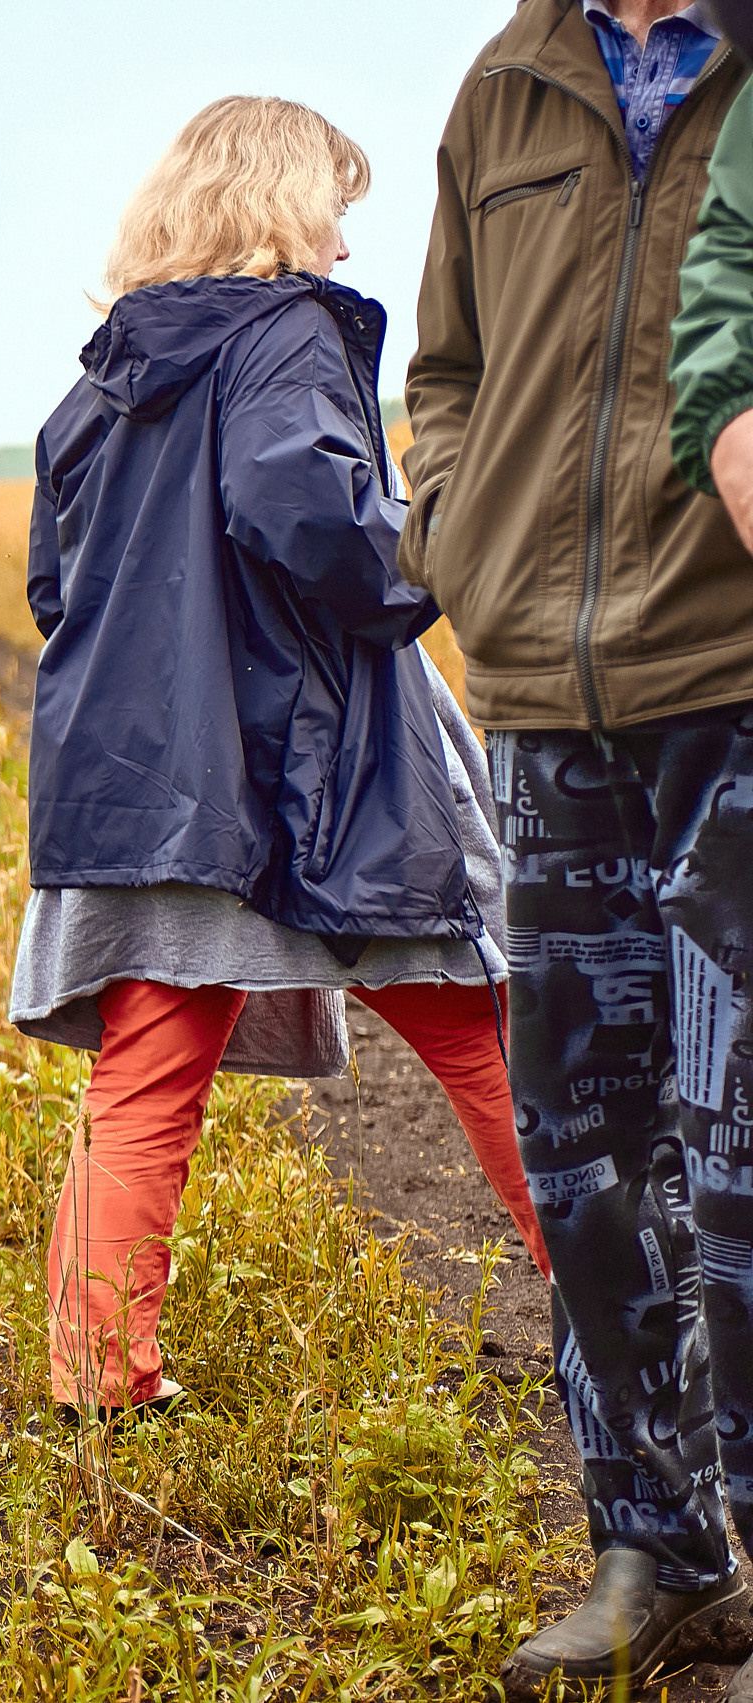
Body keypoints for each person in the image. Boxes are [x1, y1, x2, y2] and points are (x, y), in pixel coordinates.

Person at [15, 96, 552, 1435]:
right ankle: (633, 1320)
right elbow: (312, 521)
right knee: (495, 1029)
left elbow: (53, 588)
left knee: (146, 1072)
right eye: (335, 207)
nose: (345, 241)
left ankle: (99, 1384)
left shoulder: (101, 376)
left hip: (144, 784)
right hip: (316, 772)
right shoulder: (287, 334)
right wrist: (434, 542)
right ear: (279, 205)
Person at [406, 1, 753, 1690]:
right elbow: (449, 370)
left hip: (738, 672)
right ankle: (660, 1549)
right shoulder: (507, 80)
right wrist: (460, 532)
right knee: (586, 1145)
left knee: (744, 1151)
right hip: (545, 687)